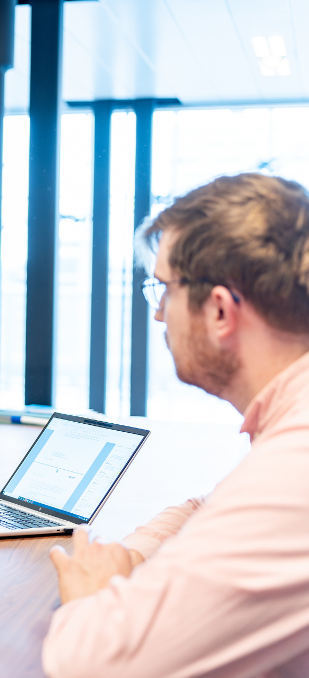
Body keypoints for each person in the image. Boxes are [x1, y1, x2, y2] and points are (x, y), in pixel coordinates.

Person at [43, 173, 309, 677]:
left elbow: (94, 664)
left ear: (220, 310)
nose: (160, 314)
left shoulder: (295, 466)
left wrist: (95, 593)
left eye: (164, 289)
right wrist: (129, 555)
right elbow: (211, 508)